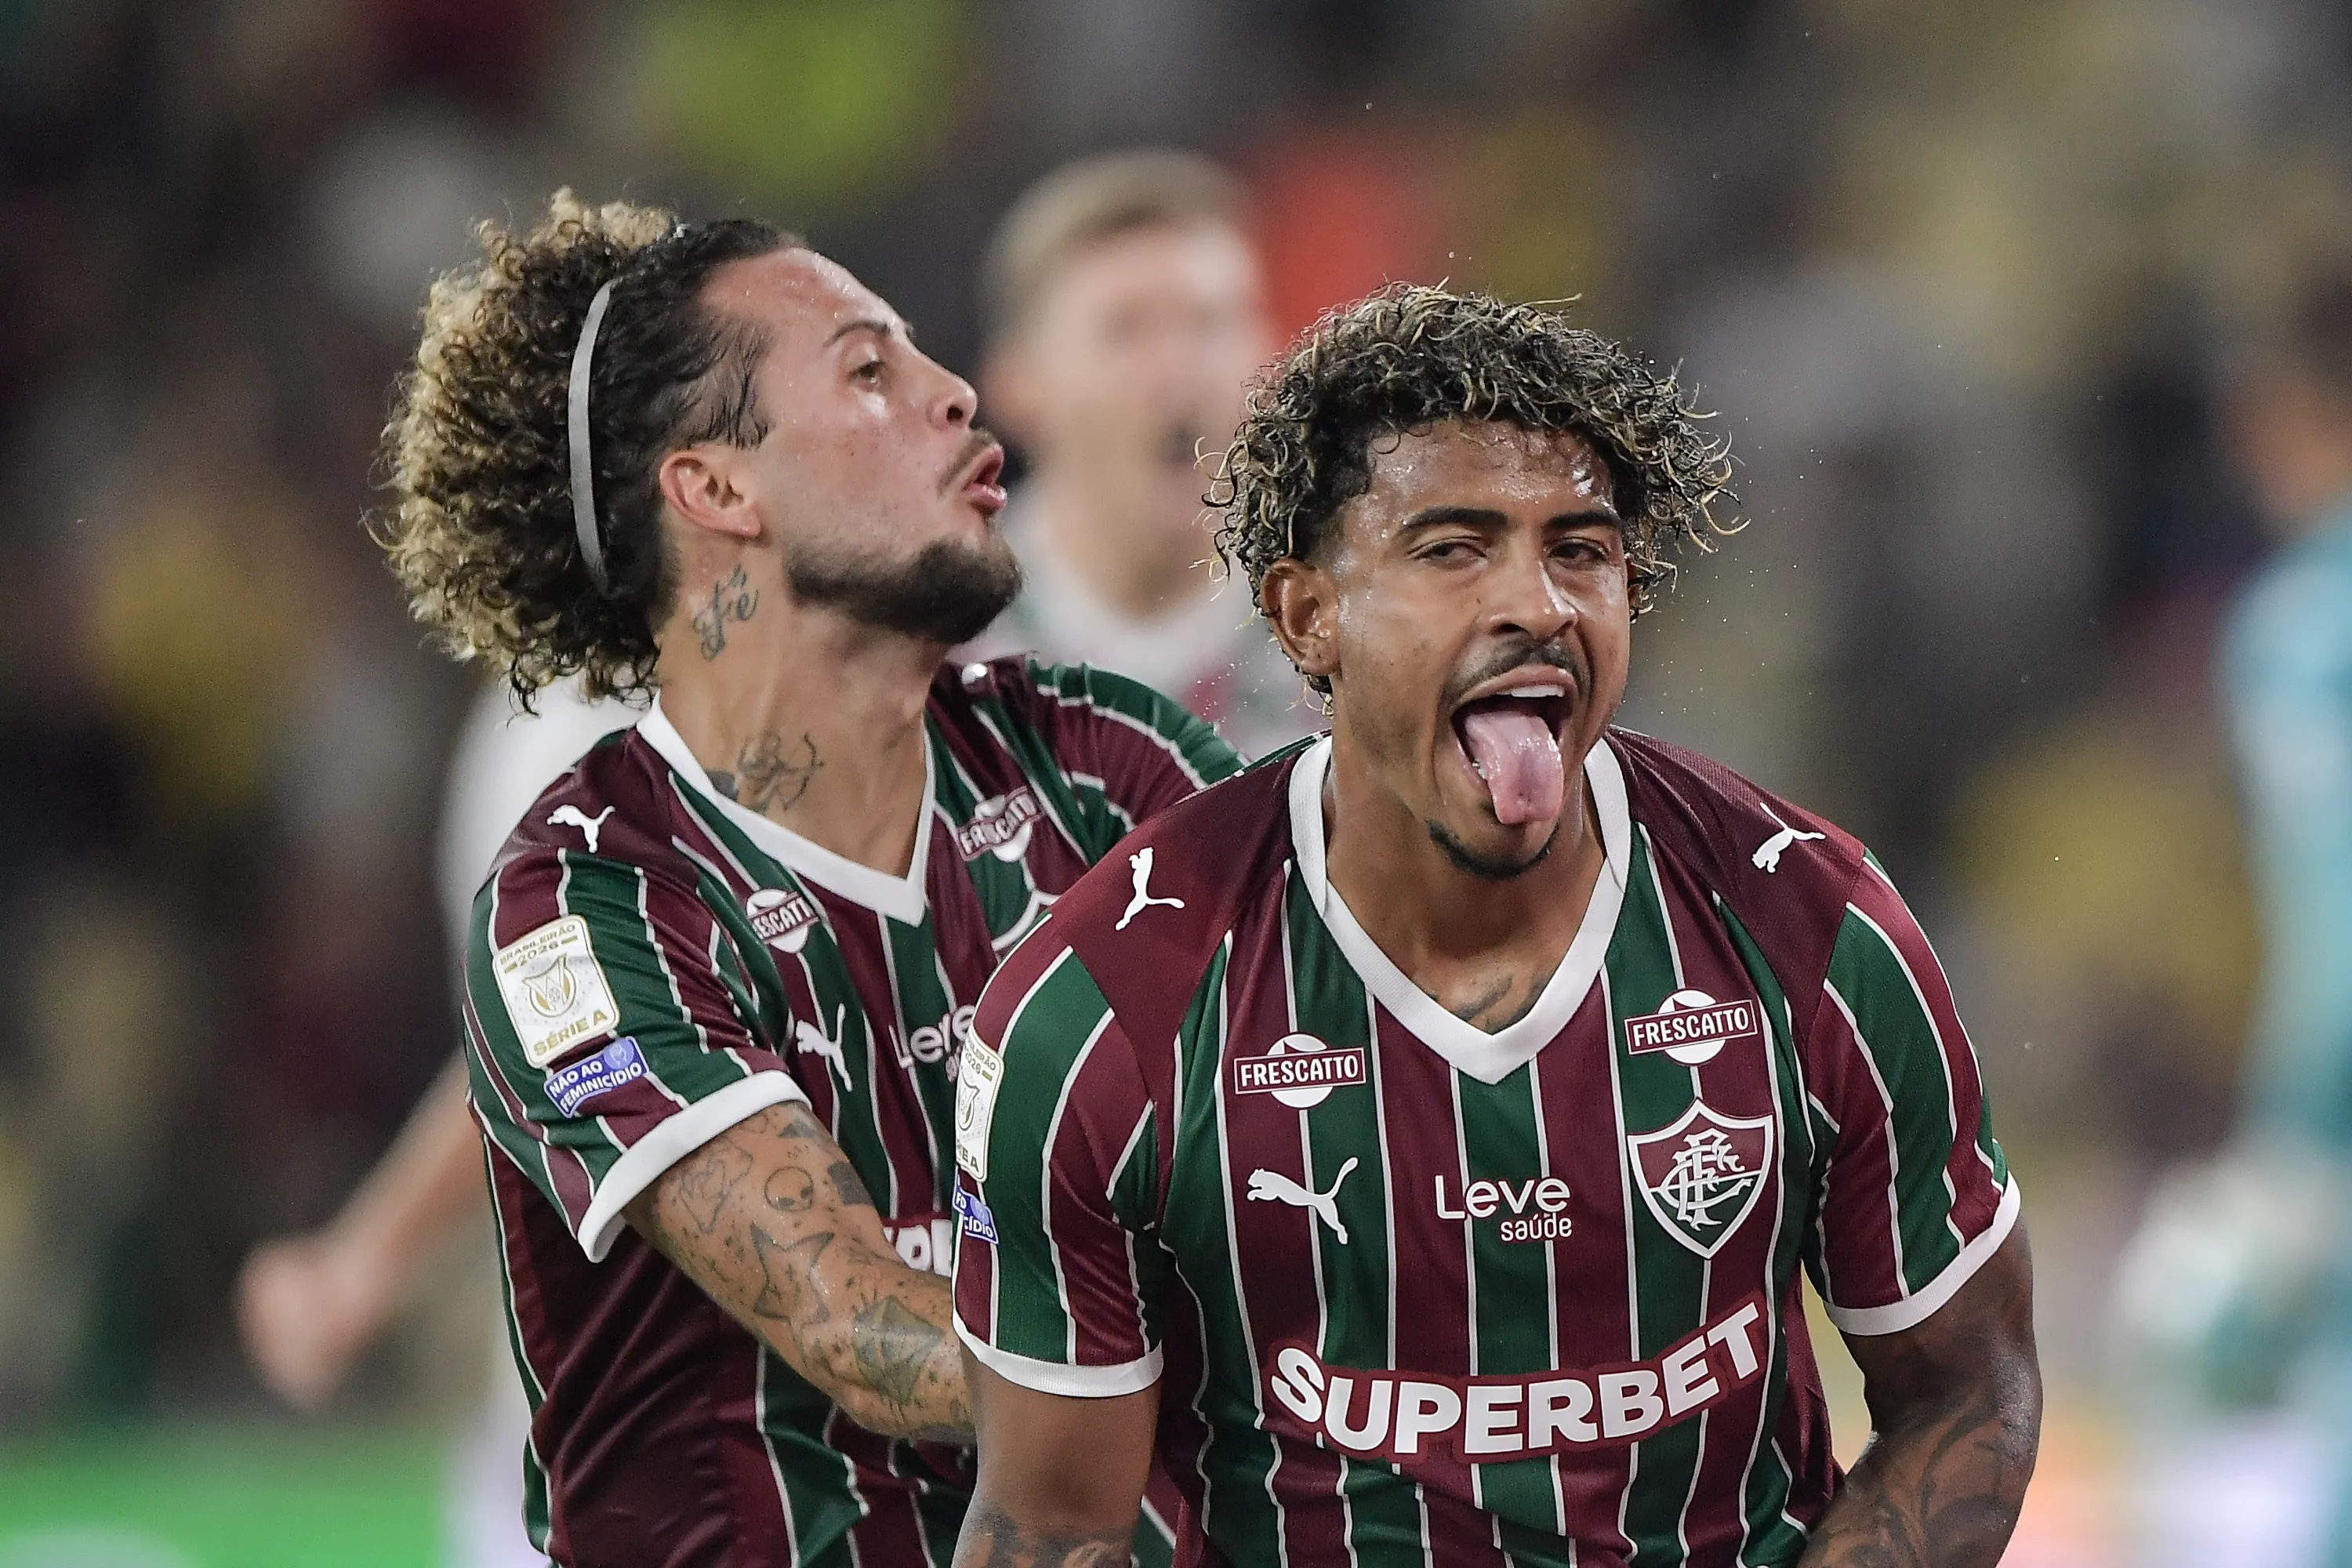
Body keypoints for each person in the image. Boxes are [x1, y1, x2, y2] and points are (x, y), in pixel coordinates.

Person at [950, 285, 2041, 1566]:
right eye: (1454, 549)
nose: (1538, 603)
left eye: (1579, 550)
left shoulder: (1816, 933)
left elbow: (1970, 1393)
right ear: (1308, 617)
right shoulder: (1105, 1009)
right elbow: (1048, 1527)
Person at [373, 191, 1240, 1566]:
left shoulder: (1104, 764)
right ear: (719, 488)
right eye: (869, 370)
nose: (958, 394)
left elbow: (1351, 1082)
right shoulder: (583, 902)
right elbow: (867, 1332)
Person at [238, 675, 626, 1568]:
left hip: (653, 1436)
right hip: (586, 1403)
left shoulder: (590, 726)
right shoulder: (552, 711)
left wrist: (365, 1255)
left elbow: (559, 1047)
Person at [961, 150, 1315, 759]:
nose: (1179, 368)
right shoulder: (939, 652)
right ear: (1016, 384)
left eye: (1210, 323)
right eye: (1126, 329)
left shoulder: (1346, 636)